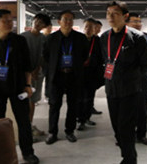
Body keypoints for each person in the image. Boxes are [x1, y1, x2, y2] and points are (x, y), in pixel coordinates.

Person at [0, 9, 38, 164]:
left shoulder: (20, 41)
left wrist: (28, 84)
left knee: (23, 121)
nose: (10, 24)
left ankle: (28, 153)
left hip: (18, 87)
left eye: (11, 20)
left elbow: (27, 66)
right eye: (6, 21)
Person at [100, 1, 147, 164]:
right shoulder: (104, 37)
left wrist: (133, 80)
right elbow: (105, 60)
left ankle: (129, 159)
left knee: (125, 127)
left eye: (115, 13)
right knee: (116, 127)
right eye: (108, 13)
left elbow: (144, 65)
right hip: (111, 88)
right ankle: (127, 155)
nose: (110, 17)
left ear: (125, 16)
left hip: (130, 90)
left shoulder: (137, 37)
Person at [43, 10, 88, 145]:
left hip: (74, 76)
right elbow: (45, 57)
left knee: (73, 105)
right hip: (57, 76)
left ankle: (70, 131)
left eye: (70, 19)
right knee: (54, 105)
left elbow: (84, 55)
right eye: (65, 19)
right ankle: (52, 132)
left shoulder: (80, 38)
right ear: (59, 21)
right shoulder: (51, 38)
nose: (68, 22)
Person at [127, 13, 147, 146]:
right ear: (127, 23)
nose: (138, 24)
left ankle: (141, 134)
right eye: (134, 21)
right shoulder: (121, 38)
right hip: (126, 78)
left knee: (142, 107)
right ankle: (127, 135)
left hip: (142, 77)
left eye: (139, 21)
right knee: (127, 108)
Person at [20, 13, 51, 137]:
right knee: (23, 99)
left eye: (41, 22)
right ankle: (24, 127)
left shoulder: (44, 39)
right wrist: (28, 72)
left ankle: (30, 125)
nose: (38, 23)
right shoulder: (22, 37)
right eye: (37, 20)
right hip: (23, 74)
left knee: (33, 100)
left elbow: (44, 56)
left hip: (38, 74)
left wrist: (36, 70)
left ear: (45, 26)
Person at [77, 18, 103, 131]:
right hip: (79, 74)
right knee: (79, 98)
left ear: (94, 29)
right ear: (83, 27)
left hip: (93, 74)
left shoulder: (98, 41)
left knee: (89, 98)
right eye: (86, 26)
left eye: (91, 27)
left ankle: (87, 117)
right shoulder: (78, 39)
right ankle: (80, 119)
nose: (88, 29)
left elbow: (102, 57)